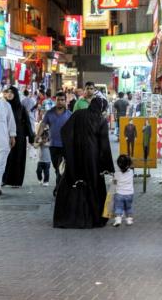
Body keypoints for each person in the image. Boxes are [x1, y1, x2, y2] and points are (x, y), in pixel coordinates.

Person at [53, 97, 115, 229]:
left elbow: (65, 130)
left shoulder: (78, 114)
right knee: (92, 185)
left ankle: (68, 218)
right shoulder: (101, 120)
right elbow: (104, 144)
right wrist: (108, 166)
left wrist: (69, 148)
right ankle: (93, 218)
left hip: (75, 156)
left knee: (73, 183)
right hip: (92, 160)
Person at [37, 92, 72, 196]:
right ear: (55, 100)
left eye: (62, 100)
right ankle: (60, 186)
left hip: (65, 146)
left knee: (61, 167)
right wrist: (37, 136)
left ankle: (58, 188)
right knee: (57, 168)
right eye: (58, 100)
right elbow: (43, 125)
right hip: (53, 146)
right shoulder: (49, 113)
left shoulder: (70, 114)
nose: (60, 102)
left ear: (65, 101)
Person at [2, 86, 34, 187]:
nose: (10, 94)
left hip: (19, 137)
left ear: (15, 94)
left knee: (18, 158)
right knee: (6, 158)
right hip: (5, 136)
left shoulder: (21, 108)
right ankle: (5, 179)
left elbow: (27, 123)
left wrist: (31, 137)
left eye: (12, 92)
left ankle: (16, 181)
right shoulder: (2, 107)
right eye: (8, 92)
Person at [113, 155, 134, 227]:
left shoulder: (116, 173)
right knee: (128, 207)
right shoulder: (131, 172)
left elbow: (114, 182)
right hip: (129, 194)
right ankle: (129, 220)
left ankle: (118, 219)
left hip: (119, 193)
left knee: (118, 207)